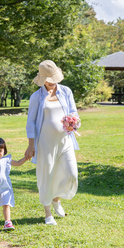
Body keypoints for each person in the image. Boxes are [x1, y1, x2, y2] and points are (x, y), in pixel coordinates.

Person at [25, 60, 79, 225]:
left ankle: (56, 198)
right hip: (45, 143)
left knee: (71, 174)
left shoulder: (66, 91)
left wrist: (74, 122)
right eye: (48, 79)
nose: (52, 82)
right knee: (46, 176)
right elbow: (31, 122)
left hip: (65, 140)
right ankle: (48, 213)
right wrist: (31, 144)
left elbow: (73, 112)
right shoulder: (36, 97)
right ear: (42, 79)